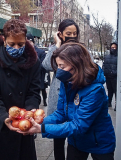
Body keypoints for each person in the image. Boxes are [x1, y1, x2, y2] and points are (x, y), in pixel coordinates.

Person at [19, 42, 116, 160]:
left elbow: (79, 125)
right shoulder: (68, 82)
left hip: (99, 143)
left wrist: (42, 129)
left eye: (62, 66)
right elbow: (61, 113)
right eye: (58, 66)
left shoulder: (95, 90)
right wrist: (36, 121)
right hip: (77, 141)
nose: (59, 70)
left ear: (77, 65)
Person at [0, 19, 41, 160]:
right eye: (11, 44)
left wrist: (31, 110)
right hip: (0, 124)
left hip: (23, 124)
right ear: (3, 40)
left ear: (26, 41)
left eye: (20, 44)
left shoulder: (33, 62)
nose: (16, 48)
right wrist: (3, 118)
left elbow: (34, 92)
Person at [42, 18, 81, 160]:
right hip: (58, 100)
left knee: (74, 139)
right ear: (60, 34)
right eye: (68, 33)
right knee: (57, 142)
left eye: (74, 33)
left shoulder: (81, 50)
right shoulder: (57, 49)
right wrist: (57, 45)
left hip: (75, 100)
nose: (72, 36)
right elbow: (46, 65)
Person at [26, 33, 48, 106]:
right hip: (28, 76)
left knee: (42, 90)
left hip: (39, 75)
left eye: (29, 42)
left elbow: (44, 65)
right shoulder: (23, 52)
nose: (28, 44)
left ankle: (44, 100)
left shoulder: (41, 52)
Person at [102, 42, 118, 111]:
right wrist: (104, 72)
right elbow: (104, 65)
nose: (113, 49)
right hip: (108, 76)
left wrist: (115, 73)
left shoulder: (119, 57)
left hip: (115, 77)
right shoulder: (107, 57)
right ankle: (109, 102)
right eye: (112, 47)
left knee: (116, 91)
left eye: (114, 47)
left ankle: (117, 104)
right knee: (109, 90)